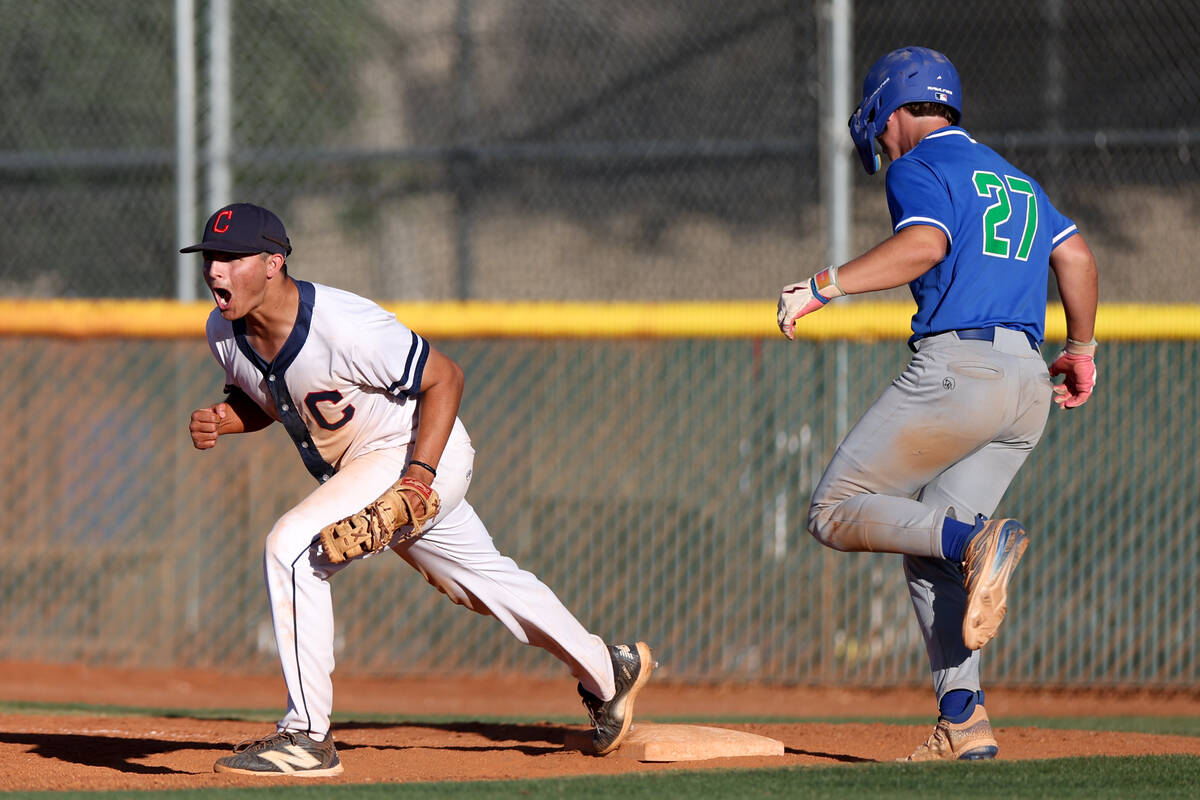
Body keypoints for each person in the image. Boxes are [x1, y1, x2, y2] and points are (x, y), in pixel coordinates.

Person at [184, 203, 653, 776]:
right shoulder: (223, 333)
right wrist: (227, 418)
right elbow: (275, 399)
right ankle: (608, 670)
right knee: (483, 584)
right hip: (367, 472)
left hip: (418, 453)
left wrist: (418, 478)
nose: (215, 270)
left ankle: (307, 736)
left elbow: (445, 376)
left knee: (292, 548)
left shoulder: (343, 324)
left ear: (273, 263)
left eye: (231, 258)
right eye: (211, 257)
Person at [776, 47, 1098, 761]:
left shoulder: (918, 166)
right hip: (1026, 387)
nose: (879, 136)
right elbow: (1074, 257)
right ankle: (964, 721)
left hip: (961, 371)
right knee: (927, 549)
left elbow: (924, 243)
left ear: (893, 108)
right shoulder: (1015, 178)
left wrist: (825, 285)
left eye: (878, 120)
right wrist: (1080, 351)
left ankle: (975, 543)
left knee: (833, 509)